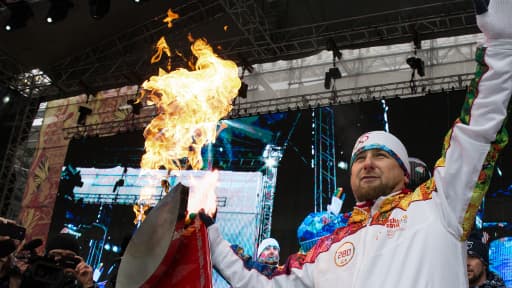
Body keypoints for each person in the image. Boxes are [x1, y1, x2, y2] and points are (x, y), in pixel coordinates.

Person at [199, 0, 512, 287]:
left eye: (380, 155)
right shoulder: (326, 250)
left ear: (404, 173)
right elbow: (258, 283)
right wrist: (210, 234)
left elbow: (477, 132)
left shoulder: (440, 205)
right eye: (360, 158)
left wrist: (500, 46)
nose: (368, 163)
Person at [21, 233, 96, 288]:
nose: (61, 260)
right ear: (46, 255)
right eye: (56, 254)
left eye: (69, 257)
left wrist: (88, 284)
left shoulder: (80, 283)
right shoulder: (33, 275)